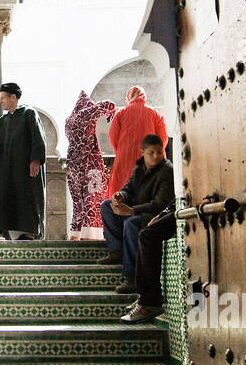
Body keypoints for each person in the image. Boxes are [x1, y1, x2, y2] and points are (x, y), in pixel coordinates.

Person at [100, 134, 175, 297]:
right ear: (142, 153)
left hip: (155, 217)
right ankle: (116, 252)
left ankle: (132, 279)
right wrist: (120, 196)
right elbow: (129, 188)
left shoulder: (168, 171)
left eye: (159, 152)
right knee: (106, 206)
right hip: (137, 212)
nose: (156, 156)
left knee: (131, 223)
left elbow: (160, 204)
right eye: (151, 152)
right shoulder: (140, 169)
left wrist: (132, 211)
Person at [0, 82, 47, 240]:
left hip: (25, 170)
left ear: (13, 97)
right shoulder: (3, 120)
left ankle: (30, 232)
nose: (0, 101)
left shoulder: (28, 113)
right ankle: (13, 234)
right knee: (9, 199)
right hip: (9, 170)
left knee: (27, 199)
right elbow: (2, 143)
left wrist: (35, 160)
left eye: (2, 98)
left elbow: (38, 138)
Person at [64, 91, 116, 236]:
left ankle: (76, 235)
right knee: (93, 200)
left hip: (73, 165)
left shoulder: (69, 120)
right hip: (89, 166)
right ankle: (92, 237)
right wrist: (111, 113)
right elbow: (108, 104)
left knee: (78, 203)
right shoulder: (85, 114)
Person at [120, 201, 177, 323]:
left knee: (147, 235)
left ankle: (149, 302)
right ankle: (145, 297)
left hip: (188, 206)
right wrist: (162, 214)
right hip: (179, 206)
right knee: (145, 233)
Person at [106, 85, 168, 197]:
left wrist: (121, 152)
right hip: (149, 159)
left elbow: (112, 137)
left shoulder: (121, 113)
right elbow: (163, 139)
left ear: (129, 98)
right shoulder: (155, 113)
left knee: (124, 192)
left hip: (126, 159)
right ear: (143, 97)